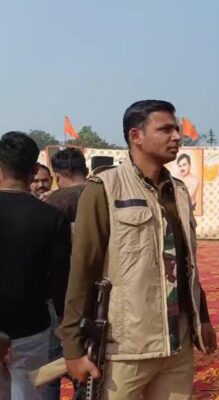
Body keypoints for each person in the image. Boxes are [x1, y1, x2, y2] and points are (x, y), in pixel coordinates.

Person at [58, 100, 216, 400]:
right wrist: (73, 347)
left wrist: (203, 318)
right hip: (126, 349)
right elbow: (83, 270)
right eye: (165, 129)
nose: (176, 137)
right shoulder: (104, 188)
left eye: (176, 129)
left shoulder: (179, 191)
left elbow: (187, 264)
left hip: (177, 346)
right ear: (136, 136)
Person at [0, 132, 71, 400]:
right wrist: (66, 321)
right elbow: (60, 279)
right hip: (31, 325)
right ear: (33, 170)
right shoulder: (52, 217)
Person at [41, 147, 89, 400]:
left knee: (53, 357)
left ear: (61, 173)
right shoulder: (103, 193)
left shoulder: (57, 201)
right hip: (101, 286)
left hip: (64, 289)